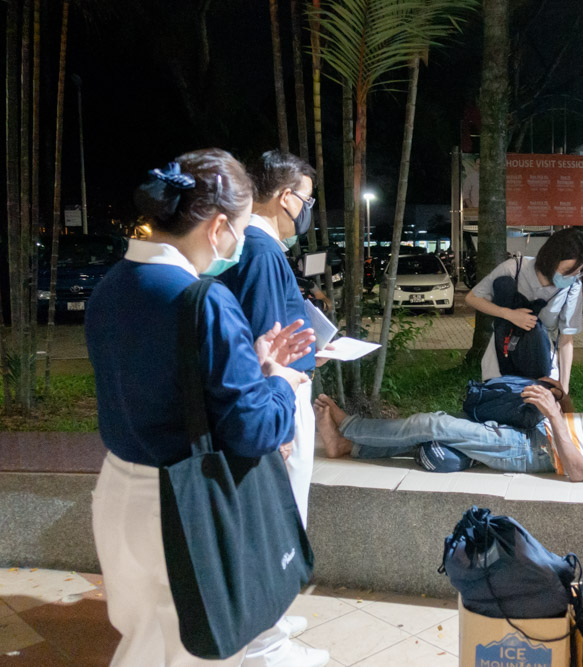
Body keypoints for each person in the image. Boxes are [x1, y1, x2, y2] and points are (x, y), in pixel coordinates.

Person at [86, 149, 318, 666]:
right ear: (217, 228)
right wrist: (278, 380)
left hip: (120, 490)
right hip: (181, 508)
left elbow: (169, 385)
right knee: (189, 651)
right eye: (238, 228)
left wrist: (252, 364)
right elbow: (254, 428)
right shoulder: (202, 300)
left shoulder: (113, 285)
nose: (239, 242)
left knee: (147, 642)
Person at [216, 150, 330, 667]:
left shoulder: (257, 248)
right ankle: (266, 644)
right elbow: (264, 342)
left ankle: (275, 618)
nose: (306, 209)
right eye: (306, 199)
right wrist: (275, 420)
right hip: (279, 401)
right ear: (286, 197)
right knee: (279, 519)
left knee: (285, 515)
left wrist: (312, 346)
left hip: (282, 394)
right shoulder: (262, 251)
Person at [314, 383, 583, 482]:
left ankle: (348, 427)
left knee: (433, 423)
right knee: (436, 437)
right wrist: (562, 399)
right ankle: (348, 445)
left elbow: (578, 470)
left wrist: (554, 414)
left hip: (529, 448)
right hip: (534, 432)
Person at [465, 228, 583, 392]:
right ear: (550, 260)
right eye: (567, 272)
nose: (572, 277)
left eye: (578, 272)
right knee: (503, 406)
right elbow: (472, 298)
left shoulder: (573, 287)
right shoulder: (514, 268)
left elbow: (566, 339)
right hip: (503, 352)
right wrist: (509, 314)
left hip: (541, 357)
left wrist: (564, 387)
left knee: (537, 411)